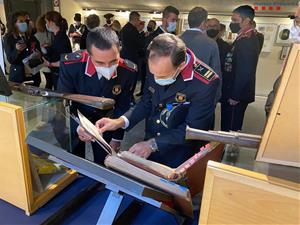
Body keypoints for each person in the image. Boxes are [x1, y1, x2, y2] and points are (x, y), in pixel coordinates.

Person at [95, 33, 220, 168]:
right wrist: (119, 121)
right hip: (150, 139)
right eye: (153, 74)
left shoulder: (205, 82)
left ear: (182, 65)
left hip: (179, 150)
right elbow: (146, 102)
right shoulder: (155, 63)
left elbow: (193, 129)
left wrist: (153, 144)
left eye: (163, 75)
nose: (157, 79)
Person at [57, 27, 136, 164]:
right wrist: (77, 127)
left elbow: (123, 105)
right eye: (100, 63)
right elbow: (62, 103)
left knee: (105, 162)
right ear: (88, 54)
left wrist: (117, 138)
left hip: (107, 123)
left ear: (119, 50)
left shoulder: (128, 70)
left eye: (113, 61)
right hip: (76, 119)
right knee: (74, 163)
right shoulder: (71, 66)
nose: (107, 67)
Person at [221, 5, 260, 132]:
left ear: (247, 21)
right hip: (232, 91)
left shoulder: (247, 41)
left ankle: (228, 152)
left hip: (235, 95)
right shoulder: (242, 38)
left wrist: (235, 95)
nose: (232, 23)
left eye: (235, 21)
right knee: (228, 126)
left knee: (230, 129)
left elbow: (244, 71)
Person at [180, 8, 221, 108]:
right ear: (203, 23)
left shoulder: (175, 40)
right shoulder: (211, 44)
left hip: (177, 93)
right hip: (201, 97)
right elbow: (215, 74)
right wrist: (216, 98)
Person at [4, 11, 42, 85]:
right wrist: (17, 50)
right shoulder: (8, 38)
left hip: (33, 75)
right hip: (18, 76)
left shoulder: (31, 37)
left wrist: (38, 53)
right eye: (21, 21)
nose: (24, 23)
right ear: (14, 23)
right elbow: (11, 59)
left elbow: (39, 51)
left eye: (25, 21)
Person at [43, 11, 72, 90]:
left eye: (46, 22)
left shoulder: (61, 38)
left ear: (51, 22)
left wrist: (50, 64)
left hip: (60, 73)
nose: (46, 25)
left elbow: (65, 60)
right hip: (57, 73)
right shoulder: (57, 36)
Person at [120, 11, 144, 103]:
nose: (139, 22)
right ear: (135, 19)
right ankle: (129, 98)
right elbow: (140, 44)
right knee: (131, 80)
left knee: (125, 80)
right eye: (138, 19)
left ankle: (127, 97)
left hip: (125, 57)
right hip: (132, 58)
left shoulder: (125, 28)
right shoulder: (133, 30)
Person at [34, 14, 54, 89]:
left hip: (42, 62)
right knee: (50, 82)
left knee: (48, 81)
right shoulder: (50, 34)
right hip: (49, 61)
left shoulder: (36, 35)